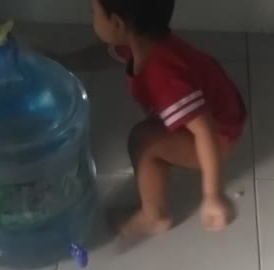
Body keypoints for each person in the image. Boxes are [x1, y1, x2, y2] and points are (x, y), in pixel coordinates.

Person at [90, 0, 247, 236]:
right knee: (152, 135)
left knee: (143, 141)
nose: (91, 16)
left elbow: (204, 131)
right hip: (214, 112)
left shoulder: (163, 75)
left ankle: (154, 217)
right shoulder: (144, 40)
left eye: (93, 11)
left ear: (117, 23)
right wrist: (63, 60)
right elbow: (104, 55)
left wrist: (212, 195)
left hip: (218, 135)